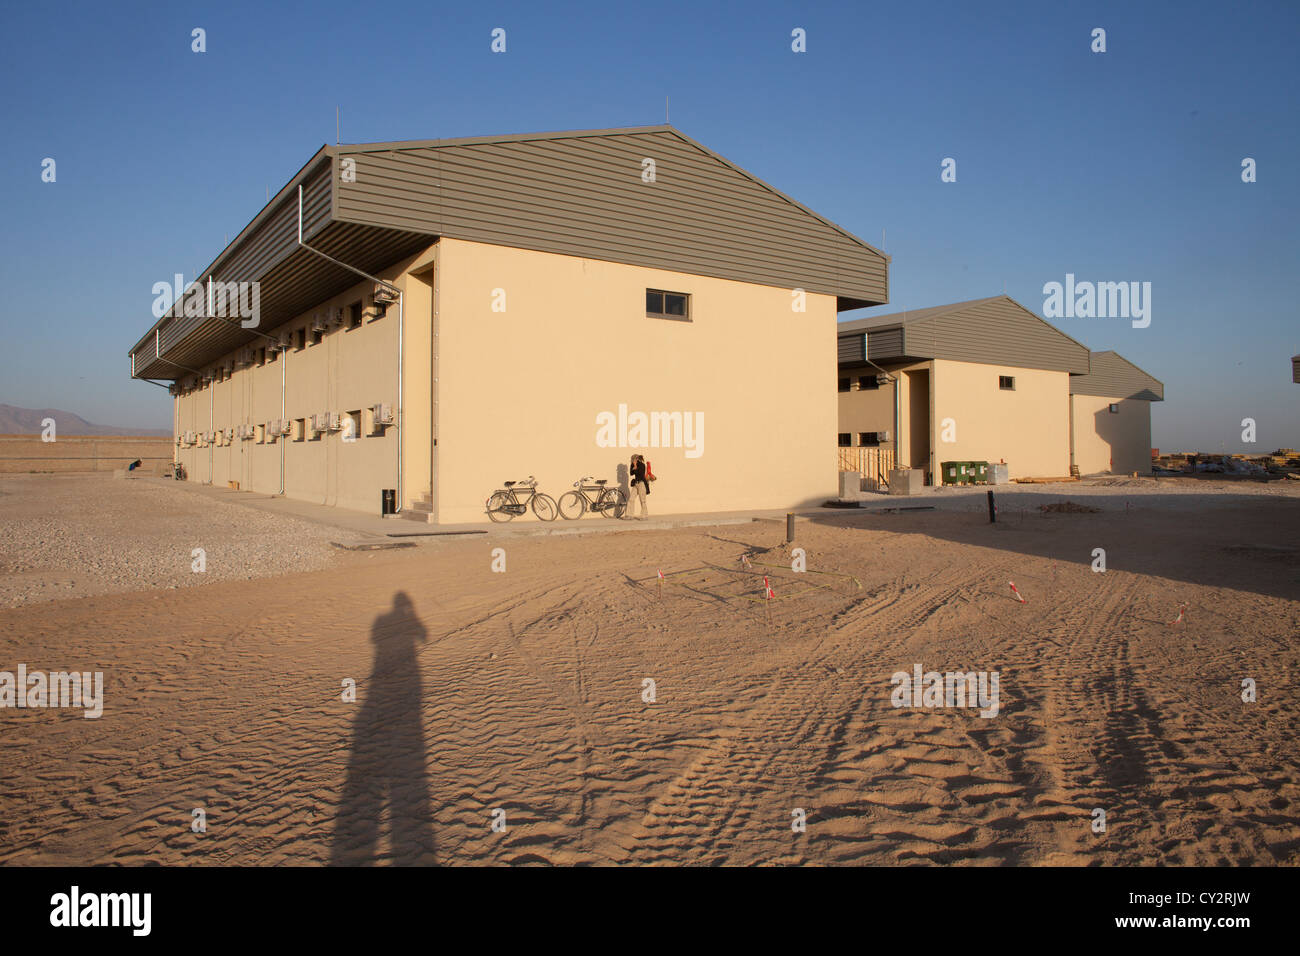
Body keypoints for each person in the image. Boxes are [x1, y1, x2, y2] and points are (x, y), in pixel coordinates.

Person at [626, 453, 649, 519]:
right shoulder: (632, 465)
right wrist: (634, 467)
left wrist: (635, 467)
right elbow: (631, 473)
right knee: (631, 499)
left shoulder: (642, 465)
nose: (632, 461)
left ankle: (644, 515)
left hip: (641, 483)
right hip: (636, 484)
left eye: (633, 459)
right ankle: (629, 515)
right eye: (632, 460)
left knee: (642, 500)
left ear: (637, 459)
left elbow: (641, 475)